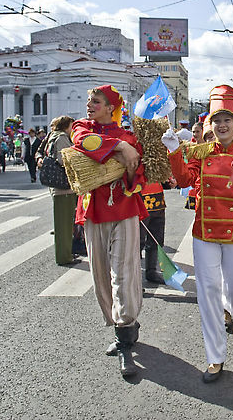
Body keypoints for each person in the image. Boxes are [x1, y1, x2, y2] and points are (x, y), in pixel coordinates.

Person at [165, 85, 233, 383]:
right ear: (211, 125)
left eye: (228, 120)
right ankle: (214, 356)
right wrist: (173, 151)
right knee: (208, 293)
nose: (222, 126)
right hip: (204, 233)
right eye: (217, 121)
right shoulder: (199, 152)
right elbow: (183, 179)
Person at [71, 85, 146, 378]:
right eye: (89, 100)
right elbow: (82, 141)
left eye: (96, 102)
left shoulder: (129, 136)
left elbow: (135, 175)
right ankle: (121, 324)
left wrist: (129, 164)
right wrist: (118, 149)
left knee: (124, 273)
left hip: (124, 210)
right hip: (93, 212)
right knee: (100, 275)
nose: (90, 105)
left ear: (110, 107)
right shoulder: (83, 128)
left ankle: (124, 339)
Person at [37, 116, 78, 266]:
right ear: (66, 125)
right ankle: (64, 256)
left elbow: (40, 152)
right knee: (64, 225)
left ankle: (66, 254)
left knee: (64, 224)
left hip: (58, 187)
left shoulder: (52, 136)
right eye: (72, 125)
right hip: (64, 187)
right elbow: (63, 160)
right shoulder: (61, 138)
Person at [139, 180, 167, 284]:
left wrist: (168, 182)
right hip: (140, 201)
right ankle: (134, 280)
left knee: (156, 239)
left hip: (158, 201)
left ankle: (151, 271)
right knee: (137, 243)